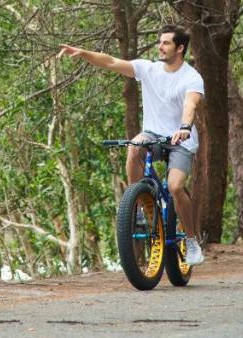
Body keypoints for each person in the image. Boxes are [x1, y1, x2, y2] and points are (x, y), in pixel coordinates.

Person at [59, 24, 206, 265]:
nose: (160, 46)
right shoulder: (149, 69)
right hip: (153, 134)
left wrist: (184, 128)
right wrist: (84, 53)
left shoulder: (191, 77)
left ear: (180, 48)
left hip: (181, 139)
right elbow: (111, 62)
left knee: (176, 187)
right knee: (134, 145)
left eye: (166, 43)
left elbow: (190, 106)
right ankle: (136, 204)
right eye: (159, 42)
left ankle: (191, 241)